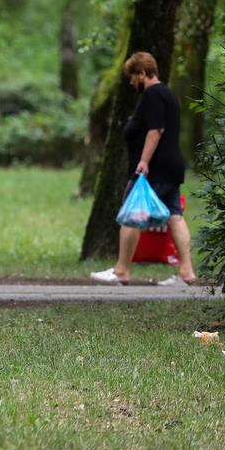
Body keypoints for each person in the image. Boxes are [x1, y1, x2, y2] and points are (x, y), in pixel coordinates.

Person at [90, 51, 198, 286]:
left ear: (142, 73)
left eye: (132, 76)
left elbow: (156, 130)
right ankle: (186, 272)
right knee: (175, 217)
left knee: (130, 215)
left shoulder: (153, 94)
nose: (131, 82)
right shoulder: (168, 94)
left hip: (154, 169)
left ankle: (121, 271)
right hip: (172, 165)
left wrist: (144, 161)